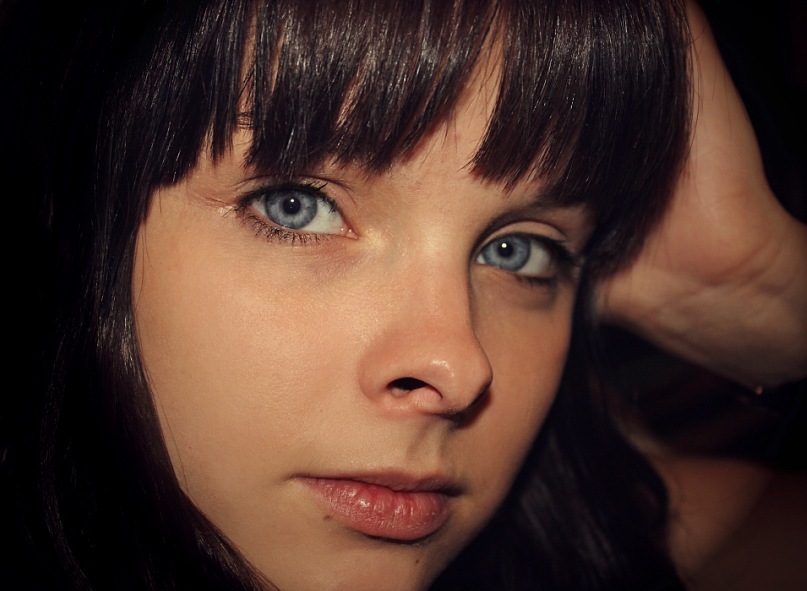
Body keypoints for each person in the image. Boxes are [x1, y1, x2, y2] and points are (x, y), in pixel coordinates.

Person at [0, 0, 804, 589]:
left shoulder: (602, 539)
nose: (456, 366)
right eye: (297, 206)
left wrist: (760, 294)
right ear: (74, 212)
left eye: (516, 249)